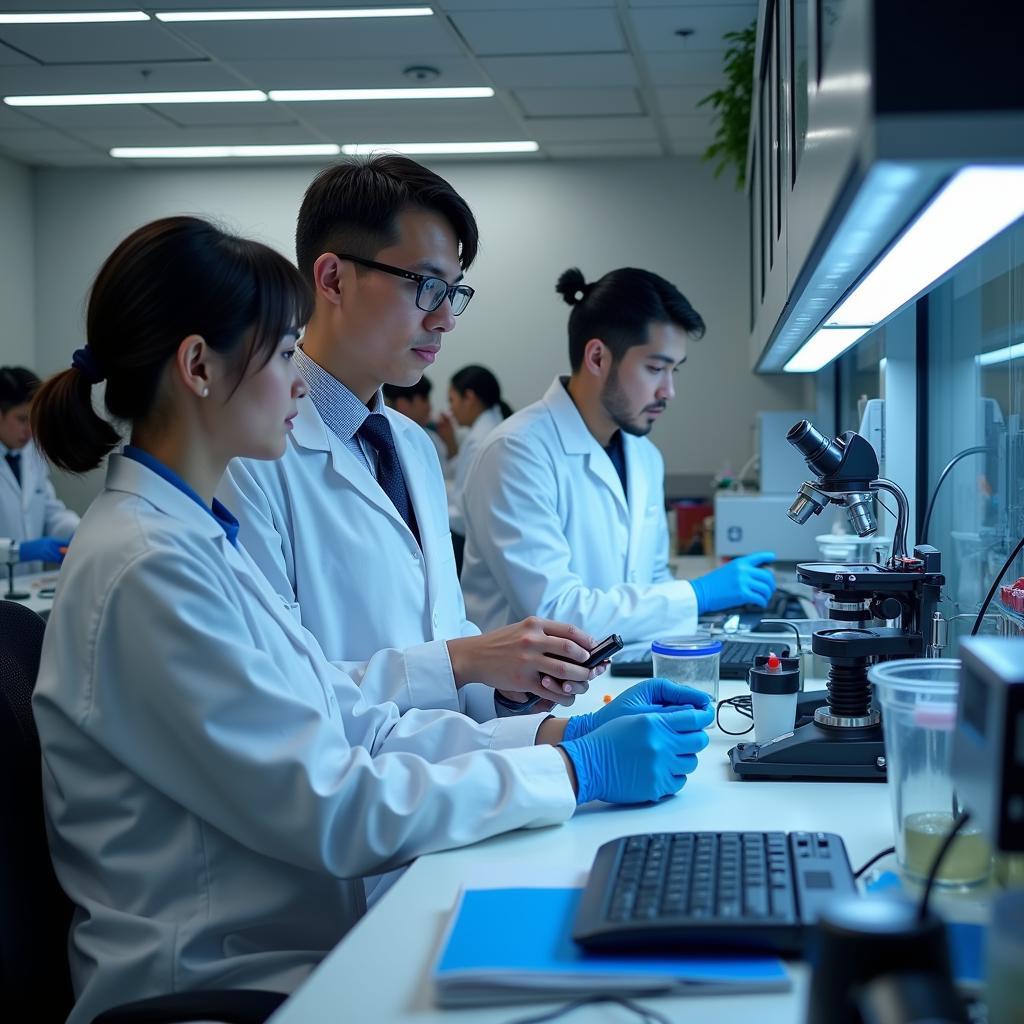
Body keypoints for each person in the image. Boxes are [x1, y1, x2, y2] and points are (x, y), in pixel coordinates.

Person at [31, 216, 714, 1024]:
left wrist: (554, 740)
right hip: (226, 981)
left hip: (315, 927)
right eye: (285, 354)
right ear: (198, 368)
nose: (297, 382)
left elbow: (352, 720)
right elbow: (333, 804)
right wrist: (576, 775)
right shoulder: (149, 566)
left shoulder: (196, 538)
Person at [220, 157, 593, 721]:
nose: (446, 319)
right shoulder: (246, 455)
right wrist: (462, 661)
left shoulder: (412, 446)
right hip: (340, 787)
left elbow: (440, 630)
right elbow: (276, 688)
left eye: (454, 291)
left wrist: (503, 687)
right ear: (332, 279)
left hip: (432, 770)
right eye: (426, 286)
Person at [460, 266, 777, 642]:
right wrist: (698, 594)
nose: (668, 391)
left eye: (675, 370)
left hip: (615, 676)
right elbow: (555, 613)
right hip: (529, 697)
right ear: (597, 358)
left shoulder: (644, 457)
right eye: (656, 368)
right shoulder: (515, 452)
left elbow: (652, 581)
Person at [0, 365, 79, 574]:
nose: (30, 431)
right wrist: (19, 551)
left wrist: (76, 530)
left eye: (33, 420)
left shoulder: (31, 453)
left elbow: (49, 510)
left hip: (30, 585)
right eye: (22, 419)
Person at [436, 364, 511, 543]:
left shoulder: (480, 440)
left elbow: (462, 516)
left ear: (469, 398)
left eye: (451, 400)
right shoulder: (487, 428)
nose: (450, 410)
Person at [382, 375, 451, 468]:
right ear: (403, 404)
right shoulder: (383, 445)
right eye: (424, 400)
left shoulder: (431, 438)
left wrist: (451, 444)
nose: (429, 407)